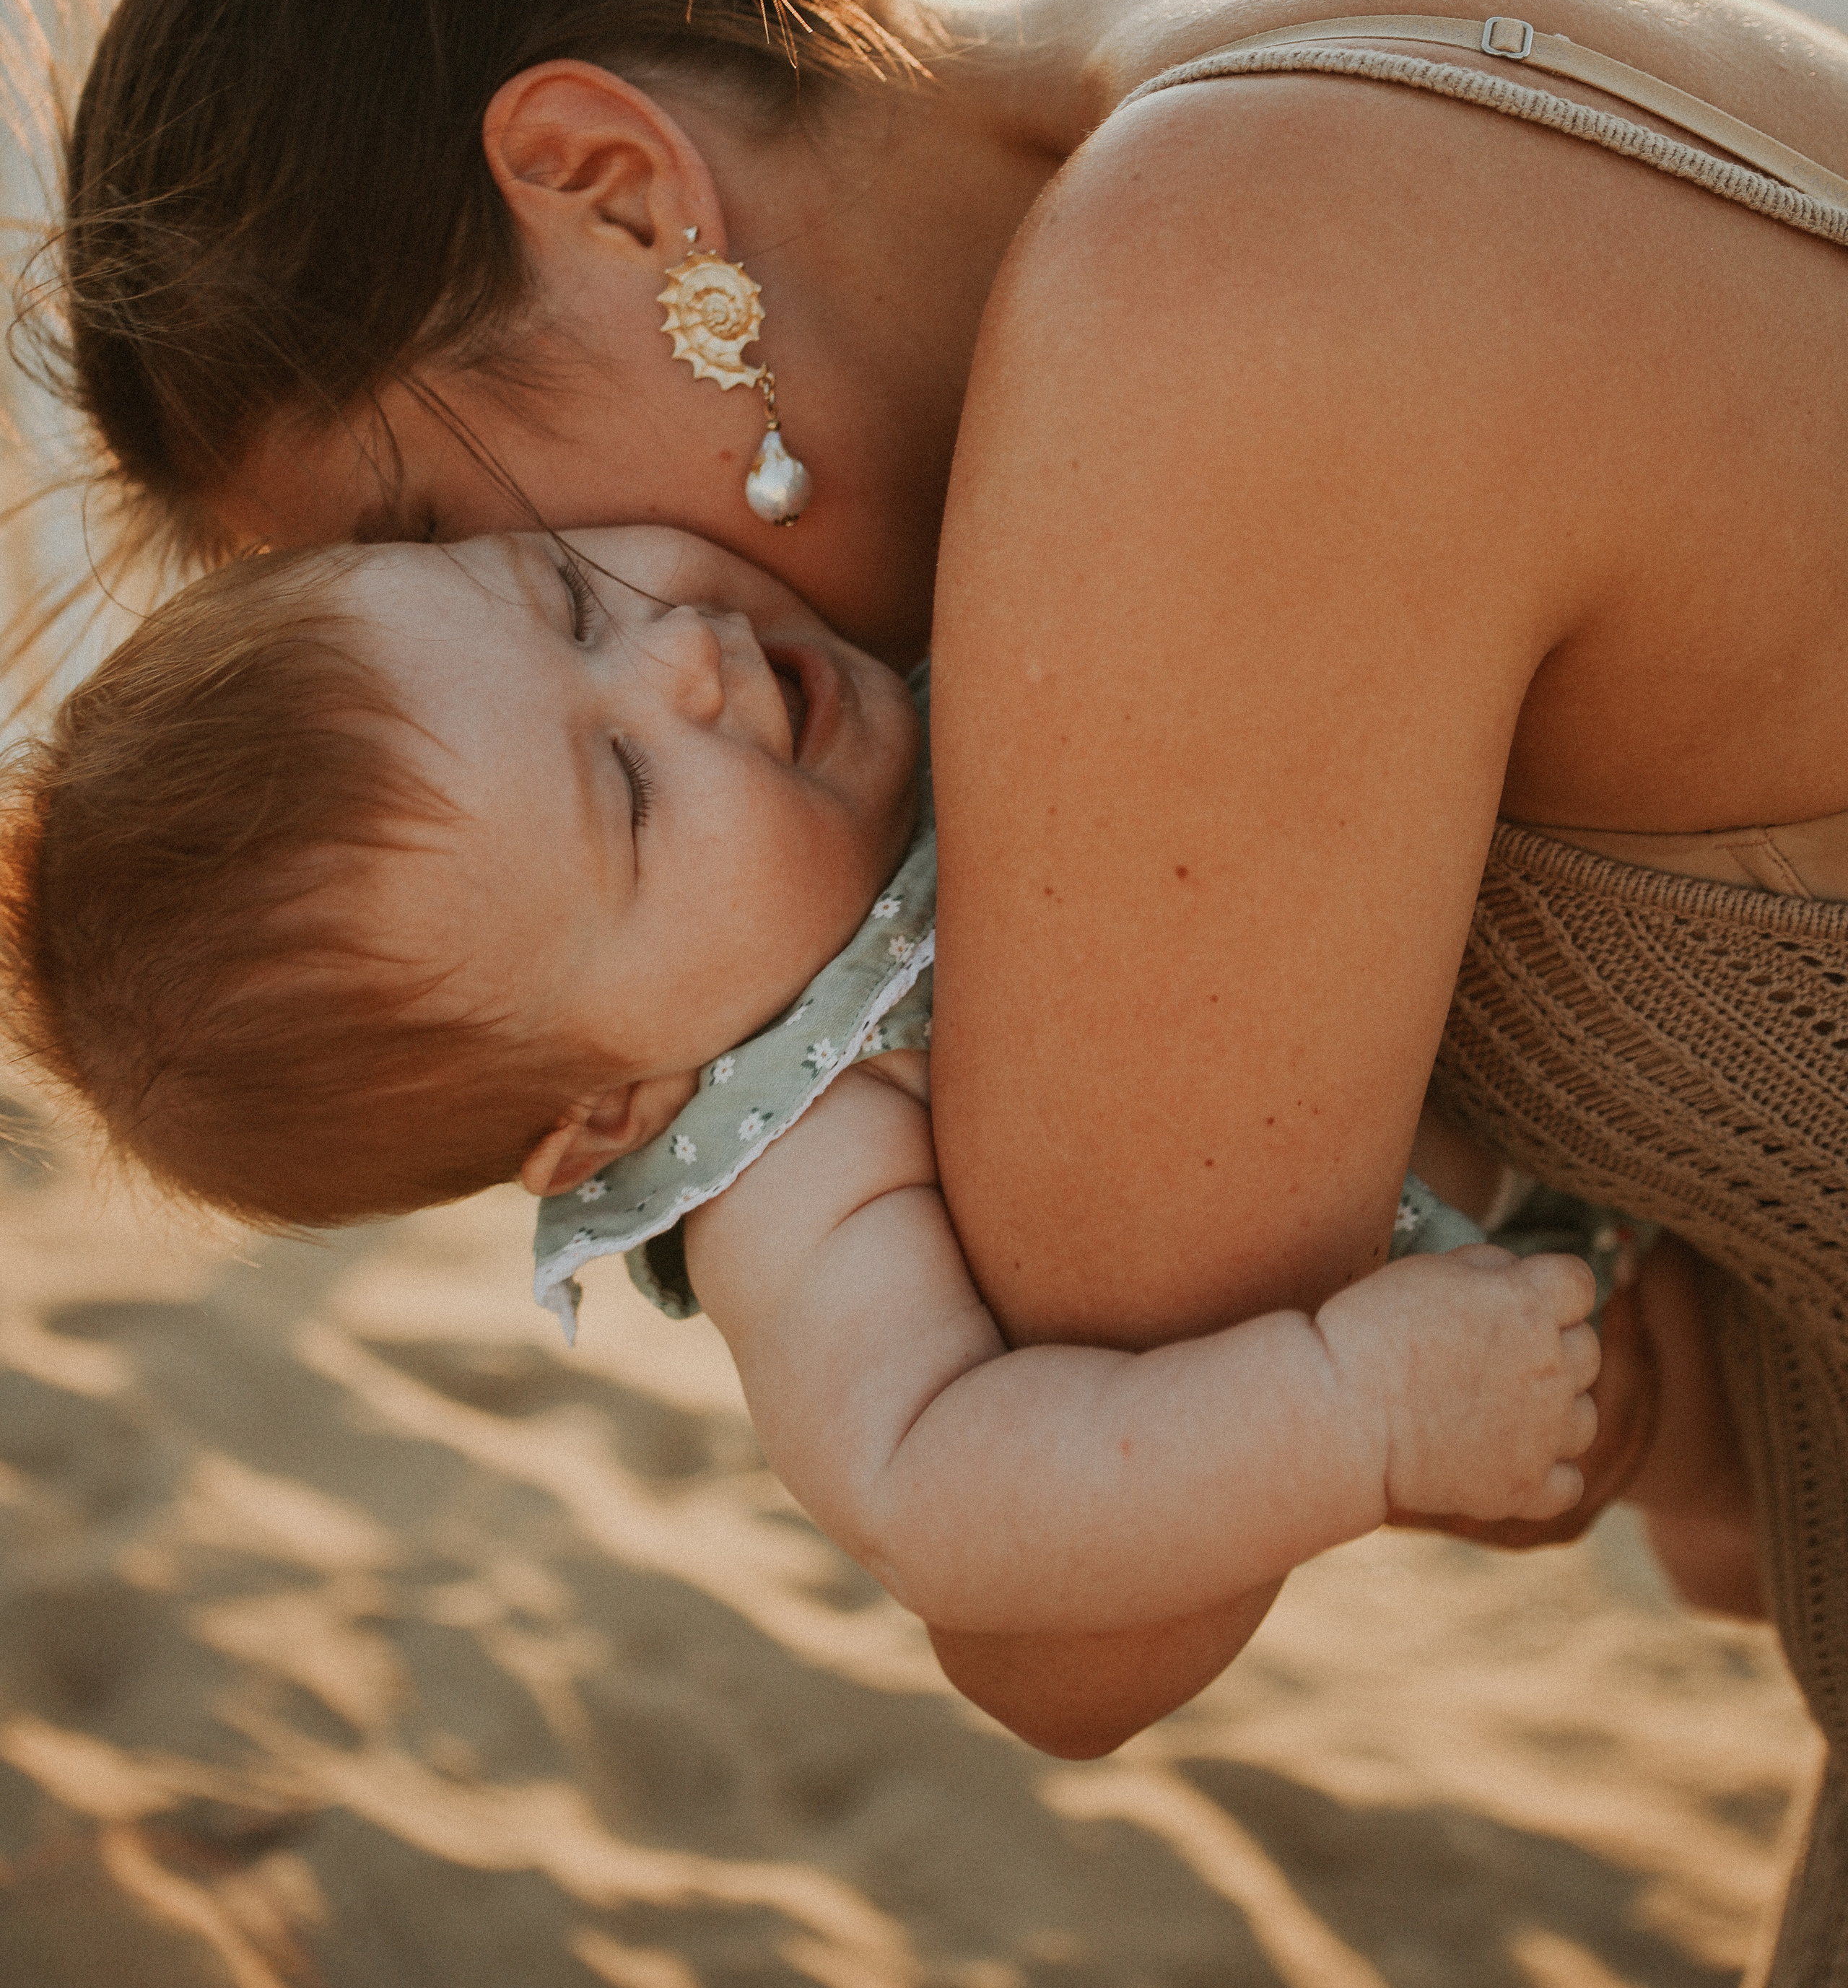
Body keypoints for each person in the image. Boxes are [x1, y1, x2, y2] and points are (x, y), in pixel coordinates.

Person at [33, 0, 1848, 1988]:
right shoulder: (1198, 57)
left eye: (466, 551)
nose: (596, 631)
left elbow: (1082, 1633)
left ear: (621, 186)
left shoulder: (1196, 317)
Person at [0, 520, 1608, 1637]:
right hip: (1549, 1239)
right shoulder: (798, 1167)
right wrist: (1354, 1418)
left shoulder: (852, 696)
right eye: (627, 790)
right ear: (613, 1109)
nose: (683, 656)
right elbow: (935, 1491)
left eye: (567, 596)